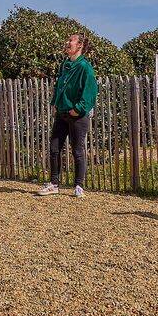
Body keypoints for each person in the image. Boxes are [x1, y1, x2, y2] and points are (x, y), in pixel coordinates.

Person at [36, 33, 97, 198]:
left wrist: (78, 109)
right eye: (68, 39)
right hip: (62, 113)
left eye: (71, 40)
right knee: (55, 148)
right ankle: (54, 184)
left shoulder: (85, 67)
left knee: (77, 150)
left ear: (79, 46)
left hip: (77, 115)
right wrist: (56, 102)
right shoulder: (65, 65)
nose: (67, 42)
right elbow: (60, 86)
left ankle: (79, 186)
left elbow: (90, 92)